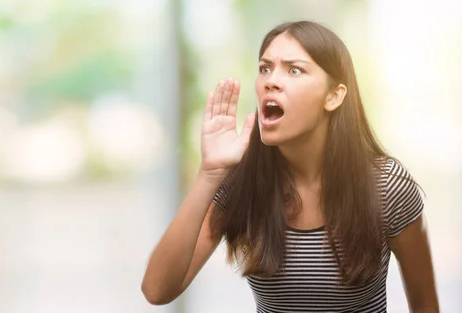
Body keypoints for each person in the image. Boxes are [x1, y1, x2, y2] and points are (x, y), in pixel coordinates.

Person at [141, 21, 440, 312]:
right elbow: (157, 290)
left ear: (334, 96)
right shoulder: (242, 182)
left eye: (294, 70)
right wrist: (210, 174)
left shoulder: (387, 186)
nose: (271, 80)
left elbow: (426, 305)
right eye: (265, 68)